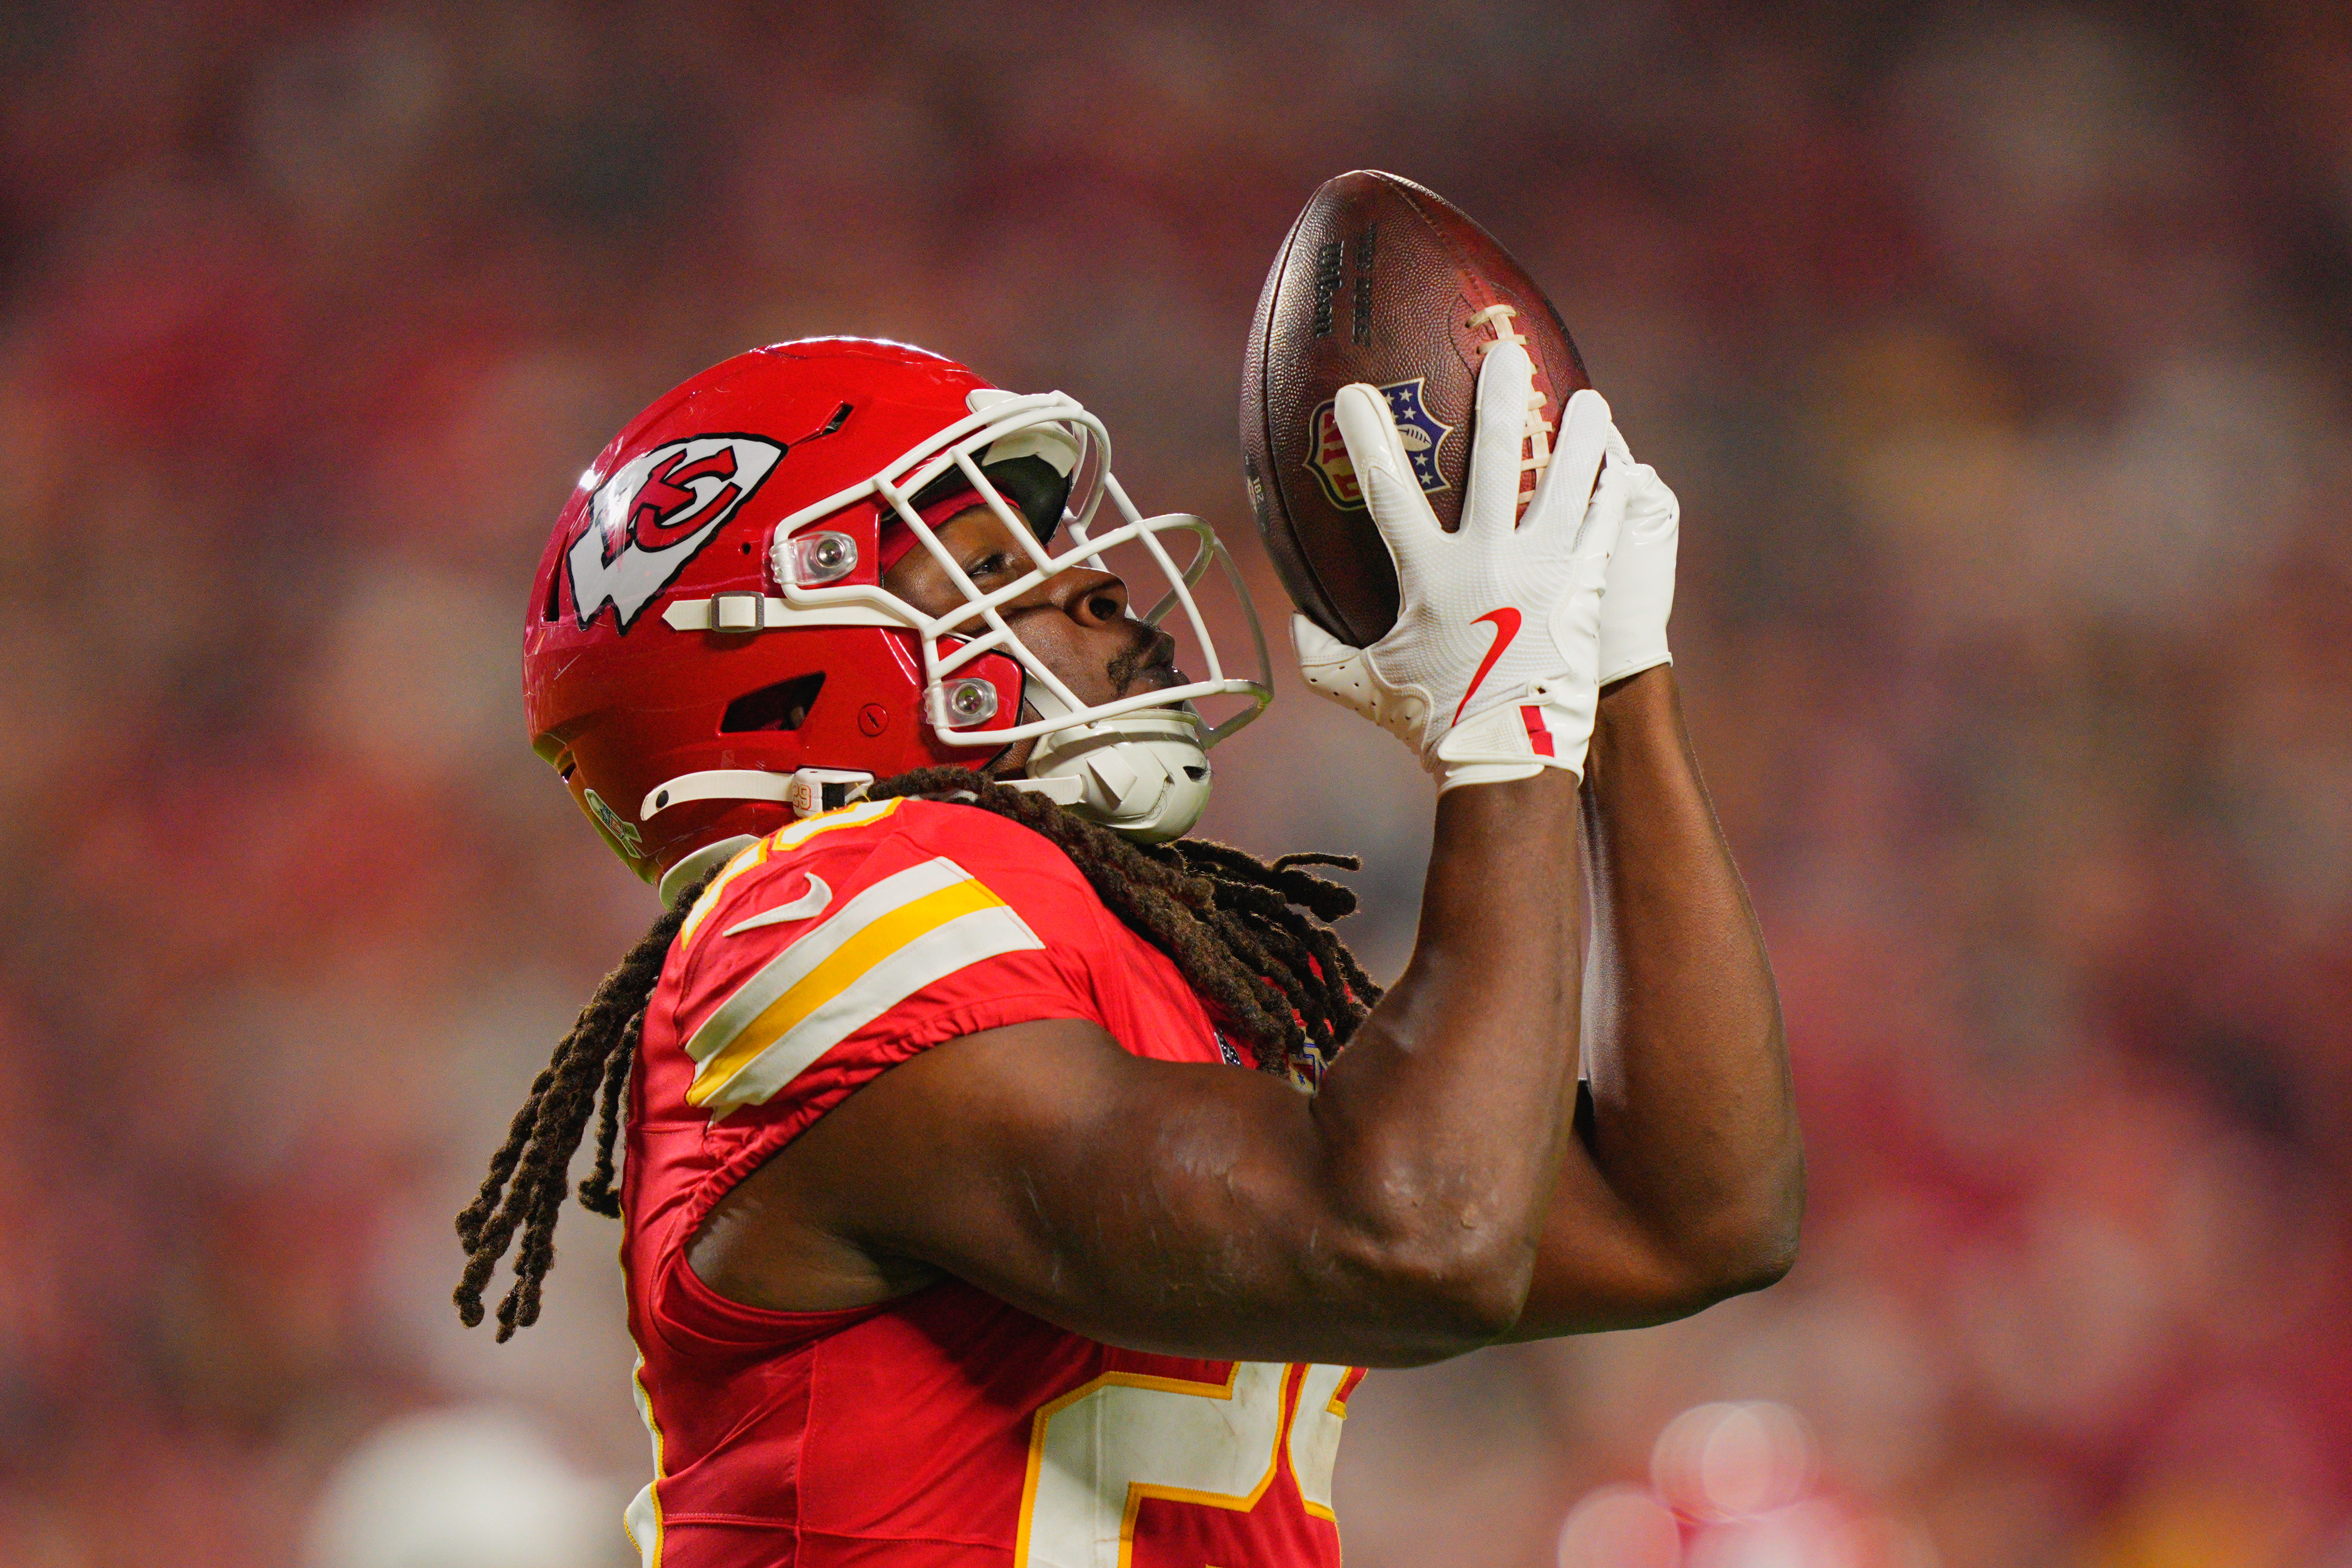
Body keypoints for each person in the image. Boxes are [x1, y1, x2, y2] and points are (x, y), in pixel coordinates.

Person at [454, 334, 1800, 1567]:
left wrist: (1614, 687)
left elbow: (1687, 1220)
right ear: (778, 665)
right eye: (987, 567)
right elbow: (1414, 1234)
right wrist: (1502, 718)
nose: (1095, 582)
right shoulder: (819, 906)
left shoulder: (1110, 944)